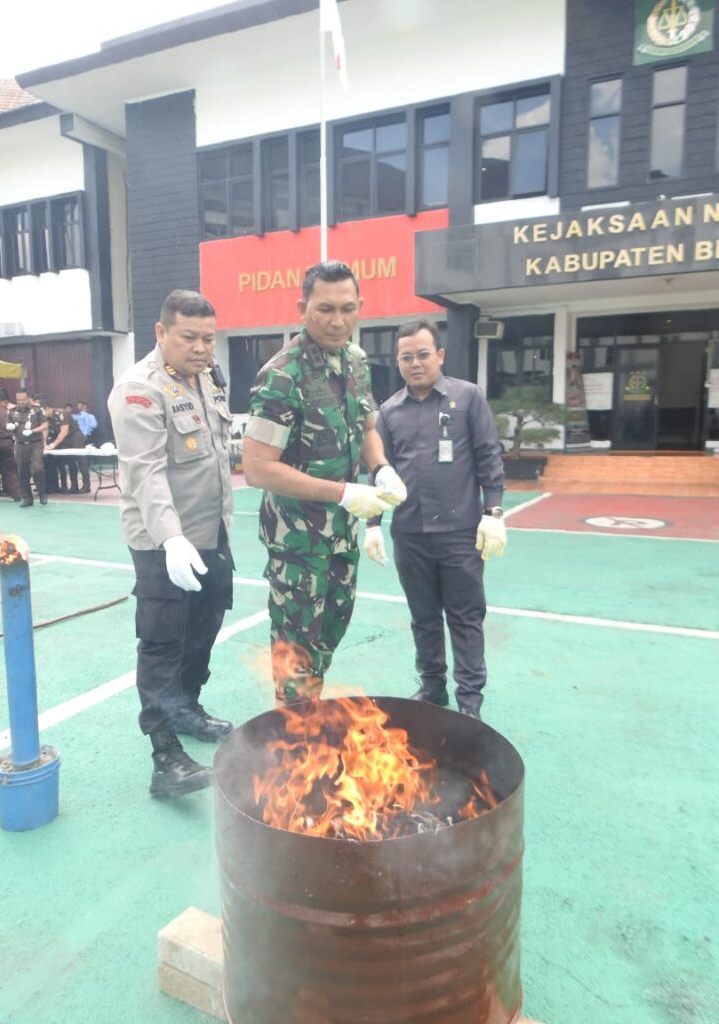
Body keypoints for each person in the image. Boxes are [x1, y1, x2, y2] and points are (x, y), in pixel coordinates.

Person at [242, 260, 406, 704]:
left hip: (341, 532)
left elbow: (367, 427)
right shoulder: (281, 375)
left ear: (360, 307)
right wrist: (344, 492)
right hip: (297, 541)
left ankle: (306, 714)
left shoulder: (356, 361)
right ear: (303, 309)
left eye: (347, 309)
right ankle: (294, 732)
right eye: (326, 309)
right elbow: (257, 468)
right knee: (296, 648)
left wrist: (380, 467)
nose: (338, 321)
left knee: (331, 631)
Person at [108, 289, 234, 799]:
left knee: (205, 625)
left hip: (211, 532)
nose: (202, 348)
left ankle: (187, 708)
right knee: (162, 641)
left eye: (209, 338)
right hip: (162, 541)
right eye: (189, 338)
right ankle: (165, 757)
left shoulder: (208, 377)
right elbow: (146, 473)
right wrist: (172, 539)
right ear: (161, 333)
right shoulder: (139, 390)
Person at [364, 319, 506, 720]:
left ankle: (470, 701)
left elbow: (488, 455)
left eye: (423, 354)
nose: (415, 363)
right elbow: (380, 470)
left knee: (465, 616)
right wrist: (373, 524)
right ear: (397, 361)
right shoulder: (389, 412)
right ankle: (432, 687)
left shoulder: (468, 397)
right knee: (423, 617)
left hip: (460, 531)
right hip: (410, 533)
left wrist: (493, 512)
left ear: (440, 355)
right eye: (406, 357)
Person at [10, 389, 49, 507]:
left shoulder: (37, 410)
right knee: (22, 471)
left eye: (23, 399)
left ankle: (42, 494)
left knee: (37, 468)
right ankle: (27, 498)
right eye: (18, 400)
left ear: (29, 399)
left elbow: (45, 425)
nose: (20, 402)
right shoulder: (11, 411)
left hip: (35, 443)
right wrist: (10, 427)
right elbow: (8, 424)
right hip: (20, 444)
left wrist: (33, 431)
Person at [45, 403, 89, 493]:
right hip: (65, 440)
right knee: (70, 462)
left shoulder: (62, 413)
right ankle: (74, 486)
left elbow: (64, 431)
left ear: (48, 408)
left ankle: (86, 486)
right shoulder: (48, 418)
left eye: (43, 412)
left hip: (75, 437)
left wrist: (53, 445)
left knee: (81, 461)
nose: (43, 415)